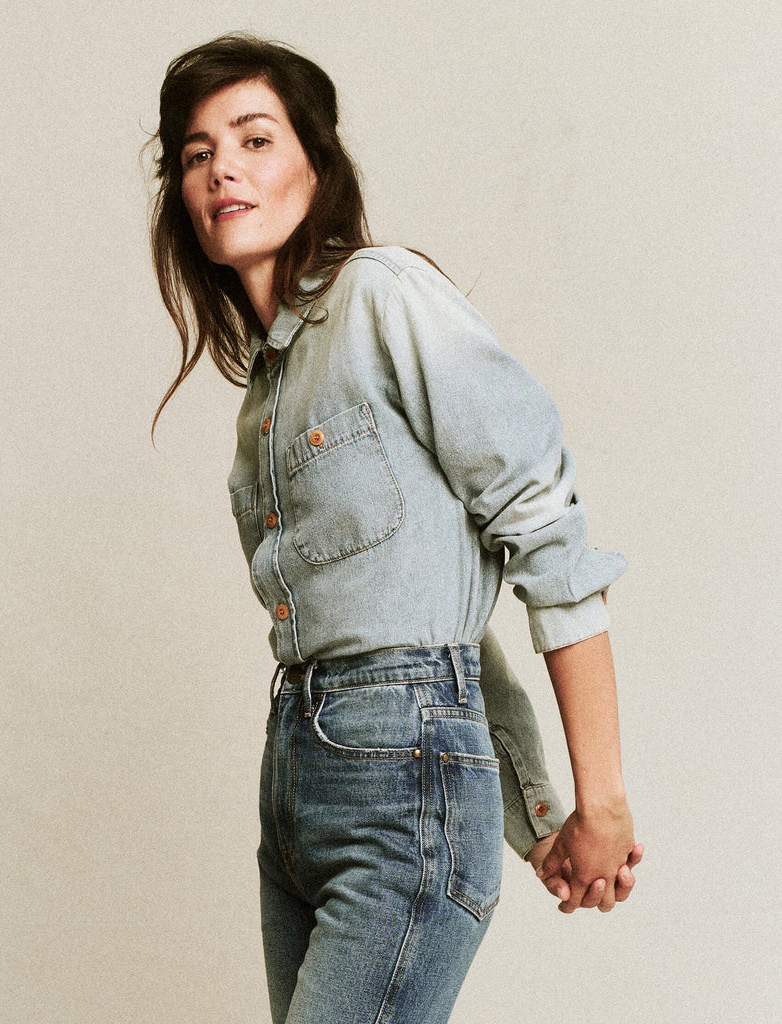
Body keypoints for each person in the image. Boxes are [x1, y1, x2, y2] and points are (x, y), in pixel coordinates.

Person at [148, 33, 643, 1024]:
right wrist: (538, 815)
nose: (223, 169)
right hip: (296, 780)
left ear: (318, 166)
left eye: (255, 139)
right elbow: (436, 622)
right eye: (198, 153)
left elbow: (544, 533)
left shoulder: (383, 296)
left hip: (398, 795)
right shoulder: (265, 399)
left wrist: (604, 802)